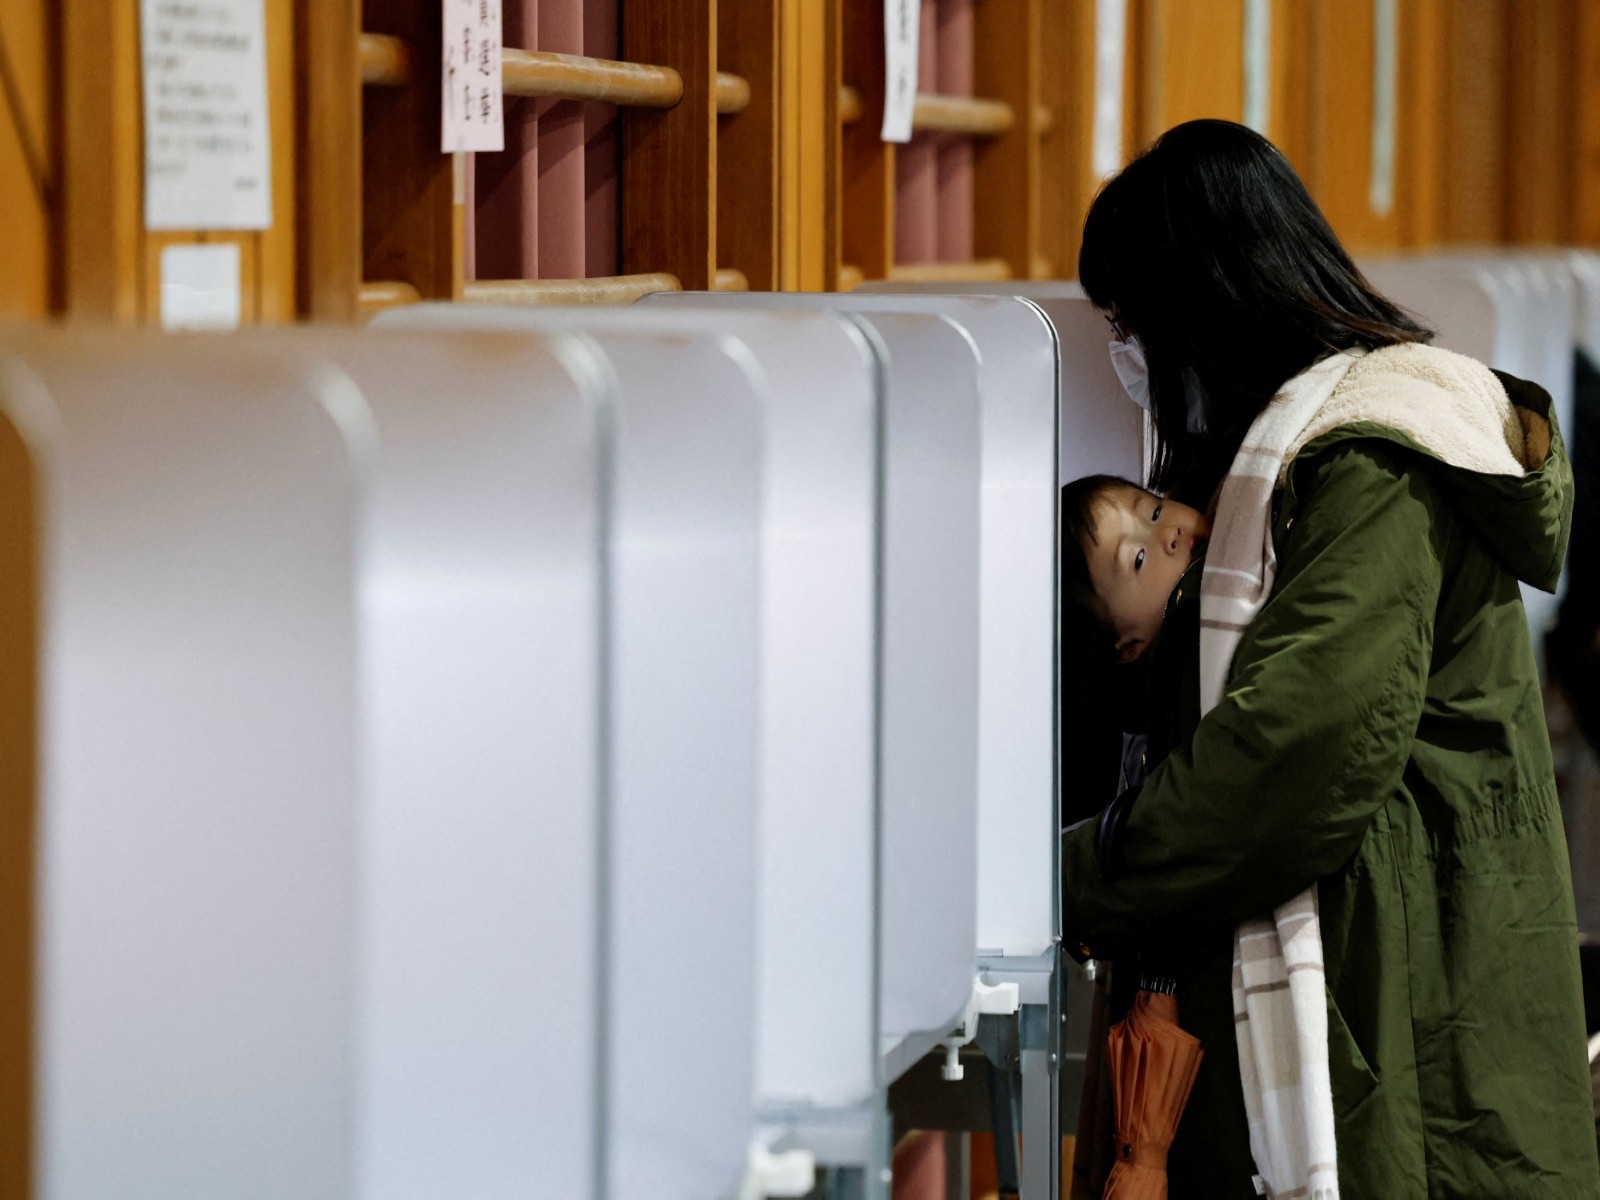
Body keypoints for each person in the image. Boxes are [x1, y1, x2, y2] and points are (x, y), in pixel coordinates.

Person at [1062, 118, 1600, 1198]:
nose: (1128, 357)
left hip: (1402, 1003)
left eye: (1135, 326)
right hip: (1386, 971)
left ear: (1205, 309)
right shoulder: (1298, 457)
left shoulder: (1367, 468)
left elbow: (1290, 758)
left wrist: (1068, 875)